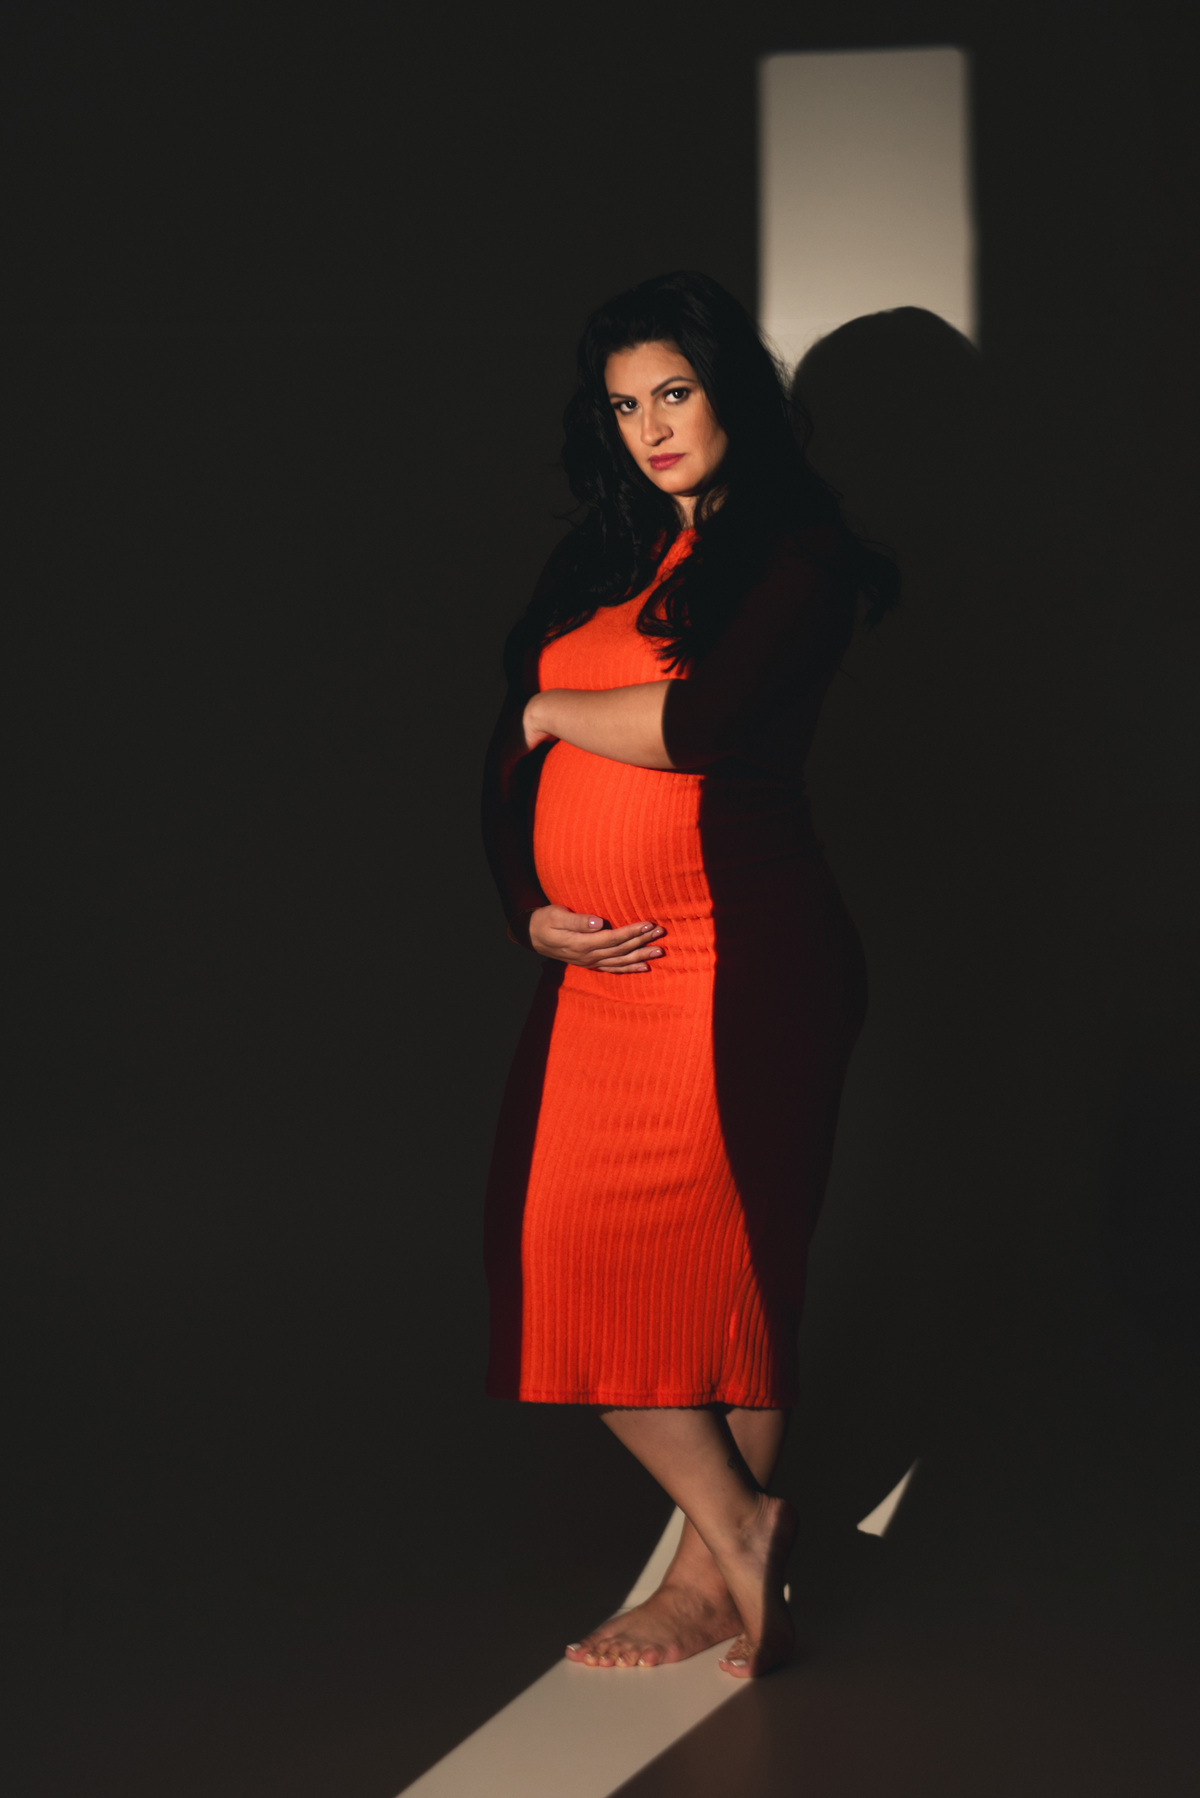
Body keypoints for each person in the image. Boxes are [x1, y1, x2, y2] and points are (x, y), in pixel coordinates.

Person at [480, 270, 898, 1679]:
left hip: (746, 960)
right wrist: (529, 907)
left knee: (736, 1284)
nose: (653, 429)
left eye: (675, 392)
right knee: (561, 1262)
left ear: (732, 395)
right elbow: (498, 768)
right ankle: (740, 1530)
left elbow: (705, 722)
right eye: (624, 408)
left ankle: (704, 1582)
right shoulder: (599, 561)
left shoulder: (799, 557)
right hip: (605, 976)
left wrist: (552, 707)